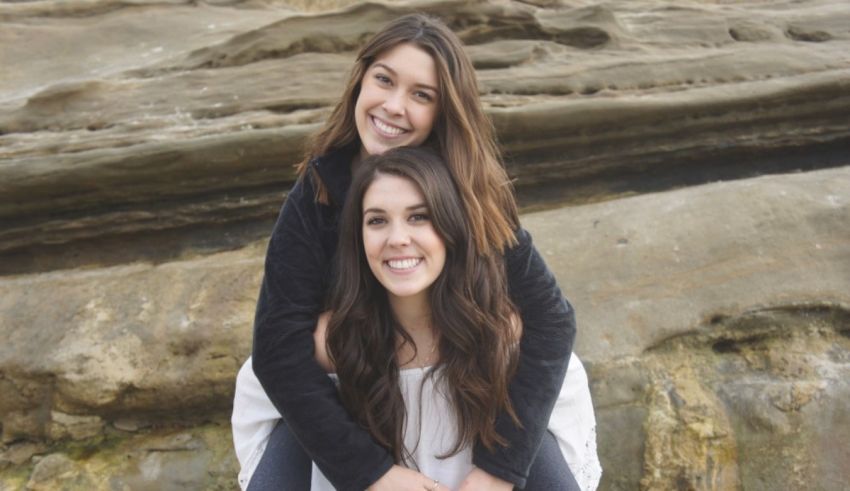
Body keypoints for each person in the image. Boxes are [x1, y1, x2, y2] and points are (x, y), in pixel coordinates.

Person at [242, 12, 600, 491]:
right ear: (360, 80)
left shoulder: (471, 192)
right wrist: (371, 474)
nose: (394, 106)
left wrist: (499, 471)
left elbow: (551, 320)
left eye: (421, 95)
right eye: (384, 80)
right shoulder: (318, 192)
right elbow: (277, 346)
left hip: (471, 382)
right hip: (348, 391)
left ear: (443, 111)